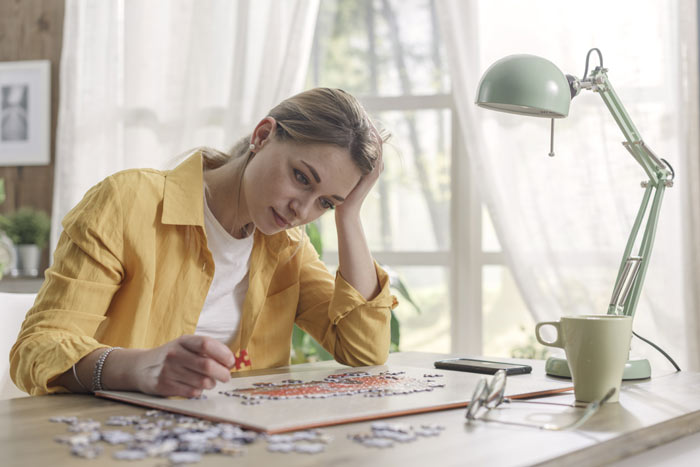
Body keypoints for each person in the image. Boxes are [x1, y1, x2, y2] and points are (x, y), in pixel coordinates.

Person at [10, 88, 397, 398]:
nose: (302, 210)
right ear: (263, 136)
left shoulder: (289, 248)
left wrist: (349, 215)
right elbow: (38, 347)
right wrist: (139, 368)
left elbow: (363, 351)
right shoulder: (128, 202)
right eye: (301, 177)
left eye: (325, 203)